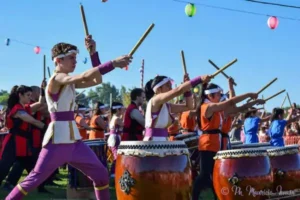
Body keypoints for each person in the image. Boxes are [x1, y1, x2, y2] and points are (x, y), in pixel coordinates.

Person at [6, 37, 132, 200]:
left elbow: (96, 79)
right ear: (58, 60)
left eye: (75, 58)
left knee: (101, 174)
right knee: (33, 180)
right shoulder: (57, 79)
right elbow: (82, 77)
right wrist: (113, 63)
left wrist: (93, 54)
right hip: (56, 142)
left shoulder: (68, 81)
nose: (75, 61)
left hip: (74, 142)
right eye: (72, 58)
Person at [192, 82, 264, 200]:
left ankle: (217, 196)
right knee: (205, 175)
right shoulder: (208, 107)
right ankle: (194, 196)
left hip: (215, 143)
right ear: (211, 96)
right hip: (207, 144)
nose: (220, 97)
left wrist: (254, 102)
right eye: (218, 95)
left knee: (214, 174)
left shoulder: (215, 109)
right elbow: (231, 102)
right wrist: (249, 94)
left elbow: (239, 108)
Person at [0, 85, 45, 187]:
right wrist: (47, 127)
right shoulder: (17, 110)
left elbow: (41, 103)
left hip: (23, 142)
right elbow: (32, 121)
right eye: (28, 95)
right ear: (20, 95)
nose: (30, 97)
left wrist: (42, 90)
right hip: (13, 142)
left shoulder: (25, 108)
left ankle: (40, 187)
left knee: (32, 166)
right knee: (4, 167)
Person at [144, 74, 211, 141]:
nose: (171, 89)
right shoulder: (155, 100)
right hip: (152, 141)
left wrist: (187, 90)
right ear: (158, 89)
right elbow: (178, 90)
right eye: (167, 86)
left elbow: (189, 106)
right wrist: (199, 79)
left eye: (171, 86)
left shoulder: (167, 106)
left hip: (163, 140)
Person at [107, 102, 124, 176]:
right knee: (116, 156)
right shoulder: (117, 119)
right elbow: (125, 125)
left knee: (116, 155)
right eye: (121, 109)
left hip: (114, 137)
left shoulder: (114, 117)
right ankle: (113, 173)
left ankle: (113, 173)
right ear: (117, 110)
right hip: (115, 138)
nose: (123, 110)